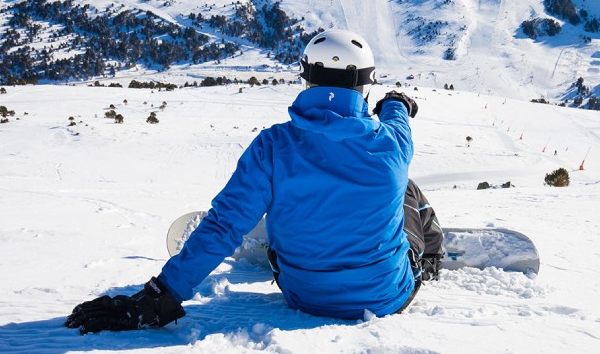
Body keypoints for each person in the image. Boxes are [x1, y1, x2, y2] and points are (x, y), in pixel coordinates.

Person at [65, 29, 443, 334]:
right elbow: (397, 116)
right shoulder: (393, 142)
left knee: (273, 192)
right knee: (405, 187)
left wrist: (159, 295)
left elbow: (225, 225)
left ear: (306, 76)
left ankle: (296, 228)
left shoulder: (273, 145)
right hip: (384, 297)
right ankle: (430, 255)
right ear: (365, 83)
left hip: (303, 295)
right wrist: (396, 101)